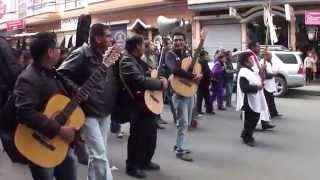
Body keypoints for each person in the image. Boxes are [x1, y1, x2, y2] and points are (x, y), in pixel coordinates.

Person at [14, 32, 77, 180]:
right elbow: (25, 113)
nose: (60, 51)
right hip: (39, 144)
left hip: (60, 142)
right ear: (49, 52)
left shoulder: (52, 72)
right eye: (57, 47)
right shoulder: (27, 79)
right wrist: (59, 129)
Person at [58, 23, 117, 180]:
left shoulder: (105, 55)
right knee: (99, 154)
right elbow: (60, 74)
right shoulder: (81, 53)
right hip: (87, 111)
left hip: (104, 110)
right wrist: (77, 90)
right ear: (97, 38)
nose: (111, 39)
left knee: (98, 153)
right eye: (108, 36)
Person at [120, 35, 168, 179]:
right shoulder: (126, 61)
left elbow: (147, 72)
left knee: (150, 135)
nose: (145, 47)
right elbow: (140, 80)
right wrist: (160, 84)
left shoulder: (135, 60)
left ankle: (145, 161)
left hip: (145, 103)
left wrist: (157, 75)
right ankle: (132, 166)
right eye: (143, 45)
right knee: (137, 137)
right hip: (136, 104)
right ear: (137, 47)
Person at [165, 30, 205, 162]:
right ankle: (180, 150)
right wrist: (193, 76)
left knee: (186, 122)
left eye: (180, 40)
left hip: (188, 91)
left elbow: (193, 67)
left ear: (184, 42)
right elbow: (175, 70)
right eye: (175, 40)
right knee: (183, 123)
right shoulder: (170, 55)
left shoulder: (186, 55)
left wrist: (198, 75)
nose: (178, 42)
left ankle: (178, 144)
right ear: (172, 42)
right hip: (178, 92)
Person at [236, 52, 266, 147]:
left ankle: (246, 134)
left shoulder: (250, 70)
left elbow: (258, 79)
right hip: (247, 99)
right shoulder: (244, 72)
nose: (253, 60)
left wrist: (262, 72)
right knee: (252, 119)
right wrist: (257, 88)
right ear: (246, 61)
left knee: (253, 118)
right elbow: (244, 87)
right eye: (250, 59)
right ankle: (247, 138)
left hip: (254, 98)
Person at [248, 41, 275, 130]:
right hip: (254, 85)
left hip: (259, 84)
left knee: (263, 105)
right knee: (256, 106)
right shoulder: (250, 56)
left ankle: (264, 122)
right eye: (258, 46)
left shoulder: (255, 56)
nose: (259, 48)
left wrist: (261, 69)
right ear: (253, 47)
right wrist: (261, 69)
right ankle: (252, 125)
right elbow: (251, 70)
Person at [262, 52, 282, 118]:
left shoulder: (269, 62)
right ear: (266, 56)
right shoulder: (263, 63)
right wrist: (273, 74)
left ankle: (274, 113)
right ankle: (268, 114)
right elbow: (265, 75)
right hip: (266, 85)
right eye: (270, 56)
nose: (271, 58)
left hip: (270, 85)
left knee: (271, 100)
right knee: (267, 101)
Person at [197, 50, 214, 114]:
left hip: (205, 82)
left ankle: (208, 109)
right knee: (200, 97)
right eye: (207, 55)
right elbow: (202, 72)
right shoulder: (201, 62)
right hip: (202, 82)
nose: (208, 56)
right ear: (203, 56)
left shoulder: (205, 62)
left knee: (207, 96)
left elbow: (207, 71)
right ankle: (199, 110)